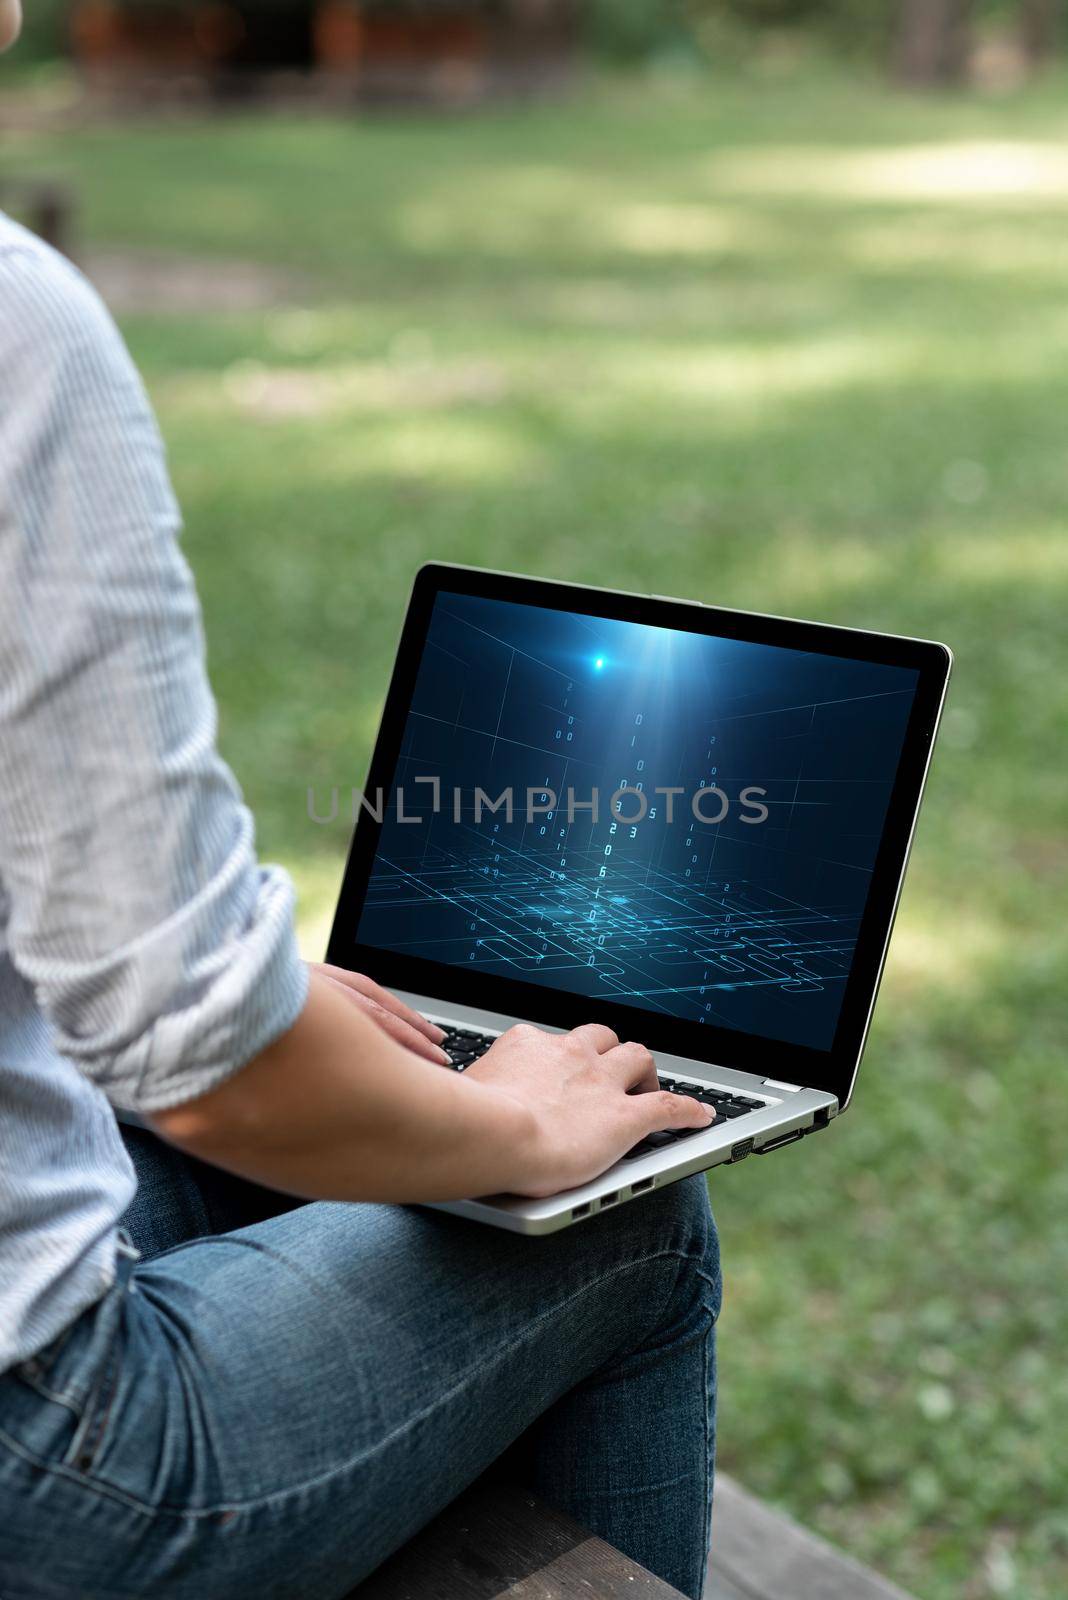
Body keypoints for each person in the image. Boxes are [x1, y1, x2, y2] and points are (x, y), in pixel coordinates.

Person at [0, 4, 721, 1594]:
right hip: (44, 1472)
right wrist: (516, 1127)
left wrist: (232, 996)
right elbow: (211, 1077)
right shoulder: (13, 327)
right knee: (627, 1217)